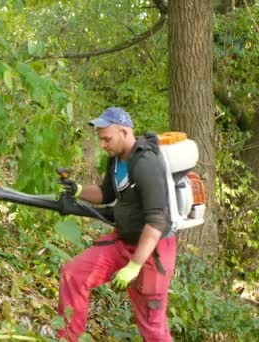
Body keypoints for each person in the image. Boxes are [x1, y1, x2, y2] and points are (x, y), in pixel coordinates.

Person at [57, 107, 177, 341]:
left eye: (106, 139)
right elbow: (105, 193)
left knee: (151, 323)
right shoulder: (115, 160)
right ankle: (68, 337)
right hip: (123, 240)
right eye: (100, 139)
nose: (102, 144)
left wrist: (134, 266)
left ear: (124, 132)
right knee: (74, 274)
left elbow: (156, 221)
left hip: (153, 250)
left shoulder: (146, 164)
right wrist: (79, 190)